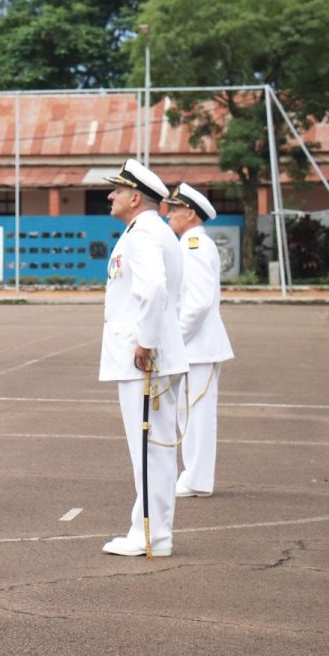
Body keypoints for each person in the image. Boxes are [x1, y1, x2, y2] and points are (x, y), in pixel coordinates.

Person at [99, 158, 188, 557]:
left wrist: (145, 343)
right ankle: (148, 530)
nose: (110, 195)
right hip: (147, 354)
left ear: (136, 197)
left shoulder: (145, 233)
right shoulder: (149, 230)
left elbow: (153, 289)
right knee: (153, 448)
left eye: (117, 190)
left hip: (144, 358)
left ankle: (151, 535)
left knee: (149, 449)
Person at [164, 183, 234, 499]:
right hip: (195, 347)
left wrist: (175, 339)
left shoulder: (193, 244)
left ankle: (196, 478)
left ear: (190, 213)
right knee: (188, 413)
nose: (168, 215)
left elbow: (199, 302)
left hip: (197, 347)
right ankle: (193, 475)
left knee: (196, 414)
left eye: (174, 210)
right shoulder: (191, 243)